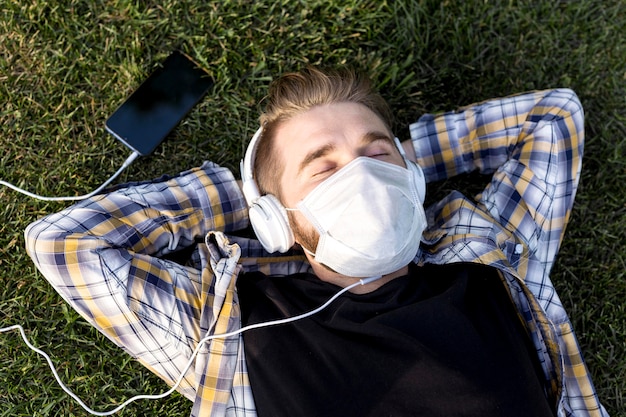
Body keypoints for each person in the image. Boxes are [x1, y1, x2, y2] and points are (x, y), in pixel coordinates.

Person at [25, 66, 608, 417]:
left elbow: (552, 118)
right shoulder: (229, 324)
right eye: (323, 169)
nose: (362, 177)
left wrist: (409, 164)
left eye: (375, 153)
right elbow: (65, 244)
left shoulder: (488, 253)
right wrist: (249, 199)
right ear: (278, 221)